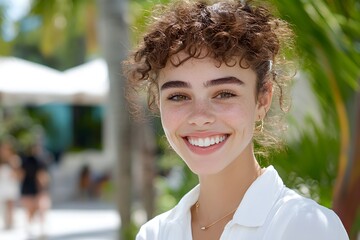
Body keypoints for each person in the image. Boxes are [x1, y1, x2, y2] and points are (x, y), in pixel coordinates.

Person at [124, 0, 349, 239]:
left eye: (224, 94)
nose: (200, 117)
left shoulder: (307, 227)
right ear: (158, 102)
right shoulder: (155, 234)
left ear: (262, 100)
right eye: (179, 96)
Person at [0, 136, 21, 230]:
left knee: (10, 204)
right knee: (3, 205)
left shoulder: (14, 159)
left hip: (10, 184)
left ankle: (10, 222)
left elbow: (18, 174)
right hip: (2, 184)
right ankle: (6, 222)